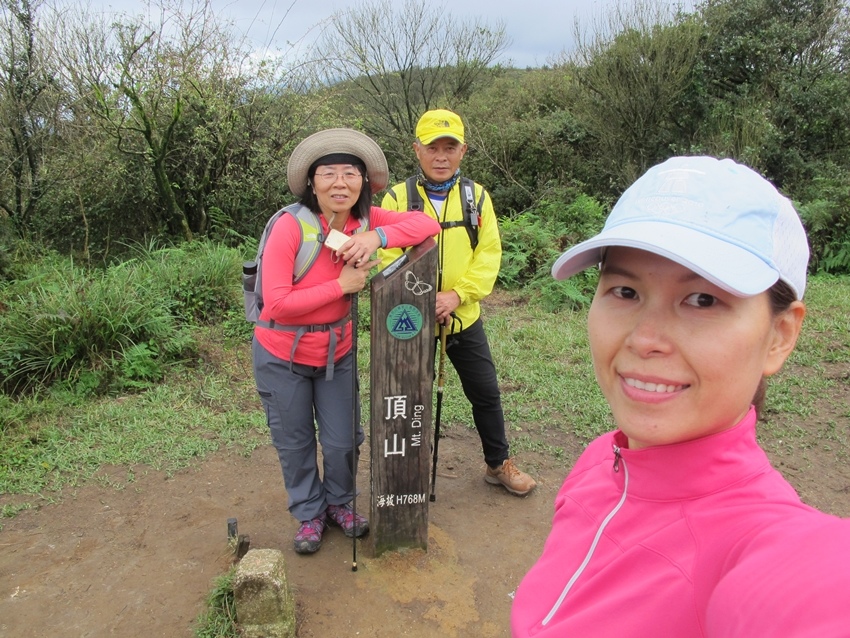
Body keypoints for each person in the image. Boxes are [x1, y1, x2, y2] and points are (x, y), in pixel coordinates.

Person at [511, 156, 850, 636]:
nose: (645, 338)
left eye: (703, 300)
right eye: (625, 291)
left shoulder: (763, 545)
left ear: (779, 335)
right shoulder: (599, 461)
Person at [252, 128, 441, 555]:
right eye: (329, 174)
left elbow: (427, 223)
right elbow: (277, 304)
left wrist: (376, 237)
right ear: (311, 183)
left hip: (336, 353)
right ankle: (309, 513)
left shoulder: (366, 220)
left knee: (342, 440)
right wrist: (343, 286)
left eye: (350, 173)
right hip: (282, 354)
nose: (341, 182)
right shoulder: (289, 227)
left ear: (363, 182)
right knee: (295, 441)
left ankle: (339, 503)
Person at [379, 109, 536, 496]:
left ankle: (498, 464)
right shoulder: (398, 198)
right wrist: (424, 298)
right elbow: (385, 256)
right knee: (407, 395)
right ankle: (404, 474)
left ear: (463, 150)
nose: (441, 156)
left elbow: (489, 254)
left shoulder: (477, 197)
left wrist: (457, 295)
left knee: (485, 391)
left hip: (463, 317)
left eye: (450, 147)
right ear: (416, 149)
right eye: (432, 147)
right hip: (411, 320)